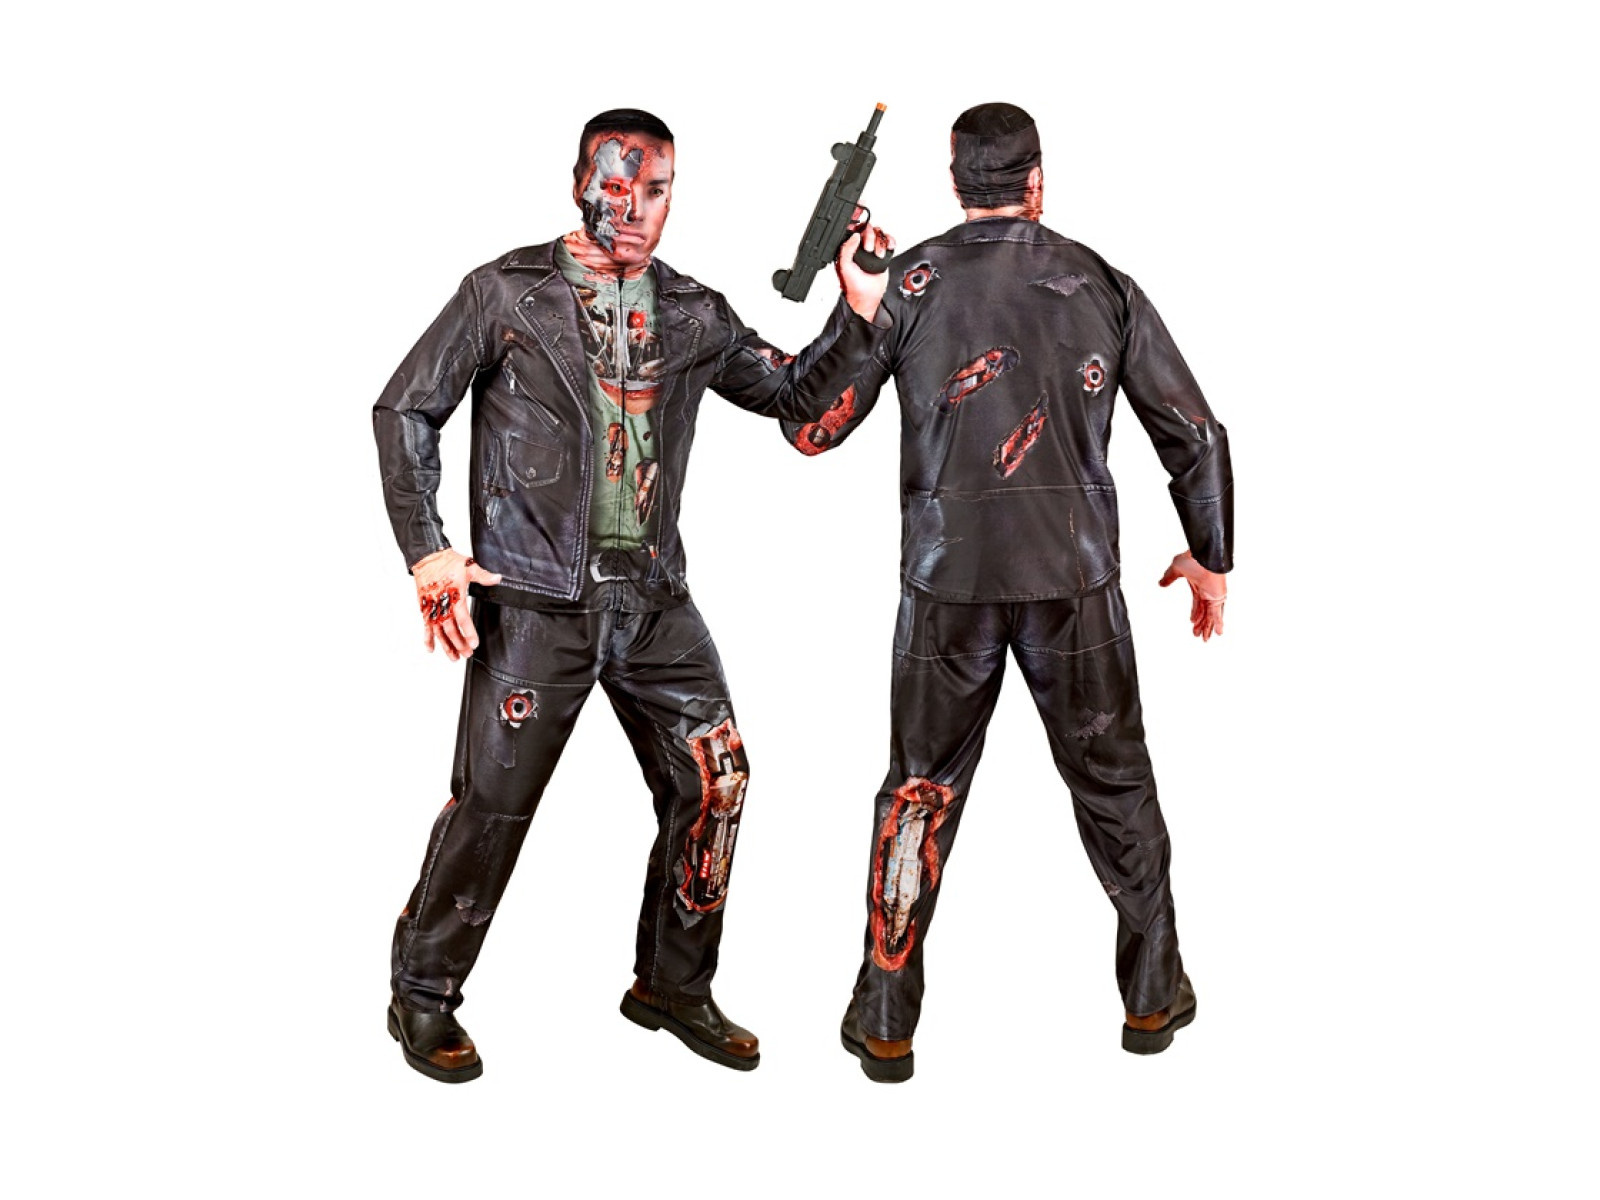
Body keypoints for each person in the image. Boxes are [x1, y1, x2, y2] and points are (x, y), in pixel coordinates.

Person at [374, 108, 893, 1083]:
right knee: (492, 806)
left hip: (654, 604)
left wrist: (857, 309)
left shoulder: (692, 312)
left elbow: (796, 402)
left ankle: (672, 985)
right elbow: (406, 405)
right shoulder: (506, 294)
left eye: (657, 189)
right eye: (619, 185)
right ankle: (422, 993)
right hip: (533, 603)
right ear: (579, 181)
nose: (638, 207)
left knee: (717, 782)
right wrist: (427, 551)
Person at [780, 102, 1232, 1081]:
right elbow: (1196, 434)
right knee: (1115, 786)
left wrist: (854, 307)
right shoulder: (1101, 282)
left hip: (948, 584)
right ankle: (1153, 996)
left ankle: (886, 1018)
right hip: (1074, 581)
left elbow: (811, 428)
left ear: (954, 183)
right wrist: (1211, 556)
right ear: (1037, 180)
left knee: (918, 792)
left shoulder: (906, 284)